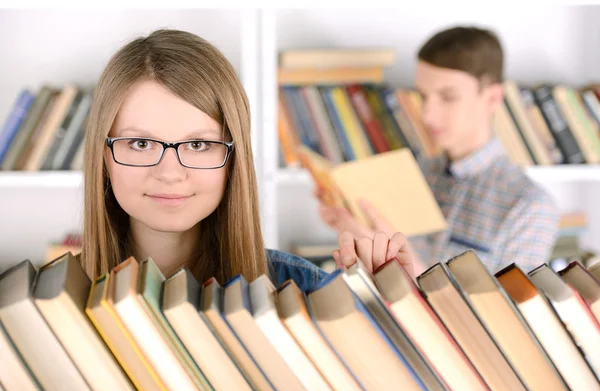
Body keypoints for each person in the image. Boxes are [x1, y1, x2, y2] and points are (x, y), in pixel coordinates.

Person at [79, 28, 412, 292]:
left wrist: (394, 313)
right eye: (140, 143)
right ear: (104, 156)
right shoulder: (50, 302)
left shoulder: (305, 290)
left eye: (198, 144)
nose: (170, 172)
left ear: (233, 160)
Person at [316, 26, 561, 276]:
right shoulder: (414, 173)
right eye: (423, 96)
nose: (427, 115)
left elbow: (510, 315)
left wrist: (403, 261)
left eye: (447, 97)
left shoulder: (529, 206)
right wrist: (349, 227)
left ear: (492, 98)